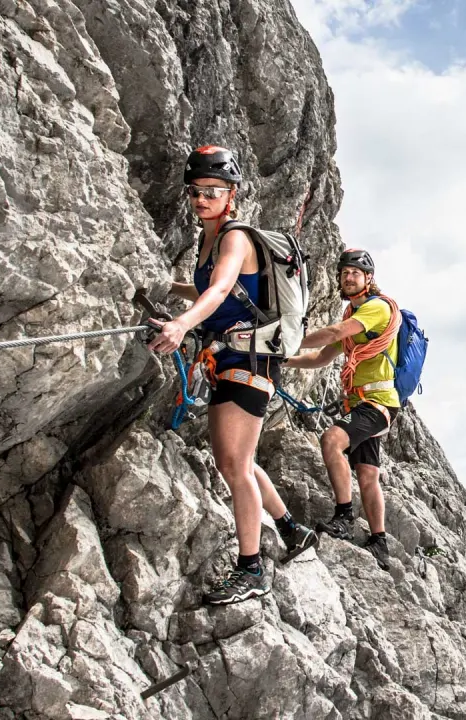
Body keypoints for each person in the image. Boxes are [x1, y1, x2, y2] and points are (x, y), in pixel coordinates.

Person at [146, 145, 319, 604]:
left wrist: (182, 324)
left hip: (250, 360)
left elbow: (222, 288)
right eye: (196, 191)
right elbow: (210, 287)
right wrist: (168, 291)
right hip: (233, 358)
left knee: (233, 464)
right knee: (237, 456)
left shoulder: (234, 237)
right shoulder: (211, 239)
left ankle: (252, 569)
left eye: (213, 191)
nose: (202, 199)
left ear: (231, 194)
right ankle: (291, 529)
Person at [284, 248, 399, 570]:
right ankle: (379, 542)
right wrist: (282, 360)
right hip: (367, 403)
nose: (348, 278)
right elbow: (321, 357)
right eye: (344, 273)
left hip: (376, 403)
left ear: (368, 279)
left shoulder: (375, 308)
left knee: (331, 440)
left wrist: (288, 339)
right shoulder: (355, 318)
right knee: (367, 473)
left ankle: (345, 517)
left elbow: (334, 333)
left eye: (355, 273)